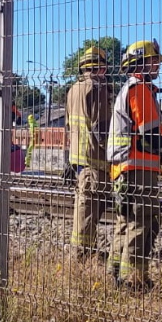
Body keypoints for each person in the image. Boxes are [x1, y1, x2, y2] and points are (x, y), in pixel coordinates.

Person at [106, 39, 162, 292]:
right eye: (153, 60)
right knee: (143, 223)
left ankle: (116, 274)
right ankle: (133, 281)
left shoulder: (129, 89)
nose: (157, 65)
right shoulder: (139, 89)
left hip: (125, 169)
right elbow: (152, 132)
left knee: (126, 222)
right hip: (138, 169)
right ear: (140, 63)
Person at [64, 46, 112, 262]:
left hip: (77, 158)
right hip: (95, 159)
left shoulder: (73, 89)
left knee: (83, 207)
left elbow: (68, 126)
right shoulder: (98, 87)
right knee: (89, 210)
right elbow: (101, 127)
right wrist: (113, 154)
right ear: (100, 68)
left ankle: (82, 251)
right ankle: (81, 255)